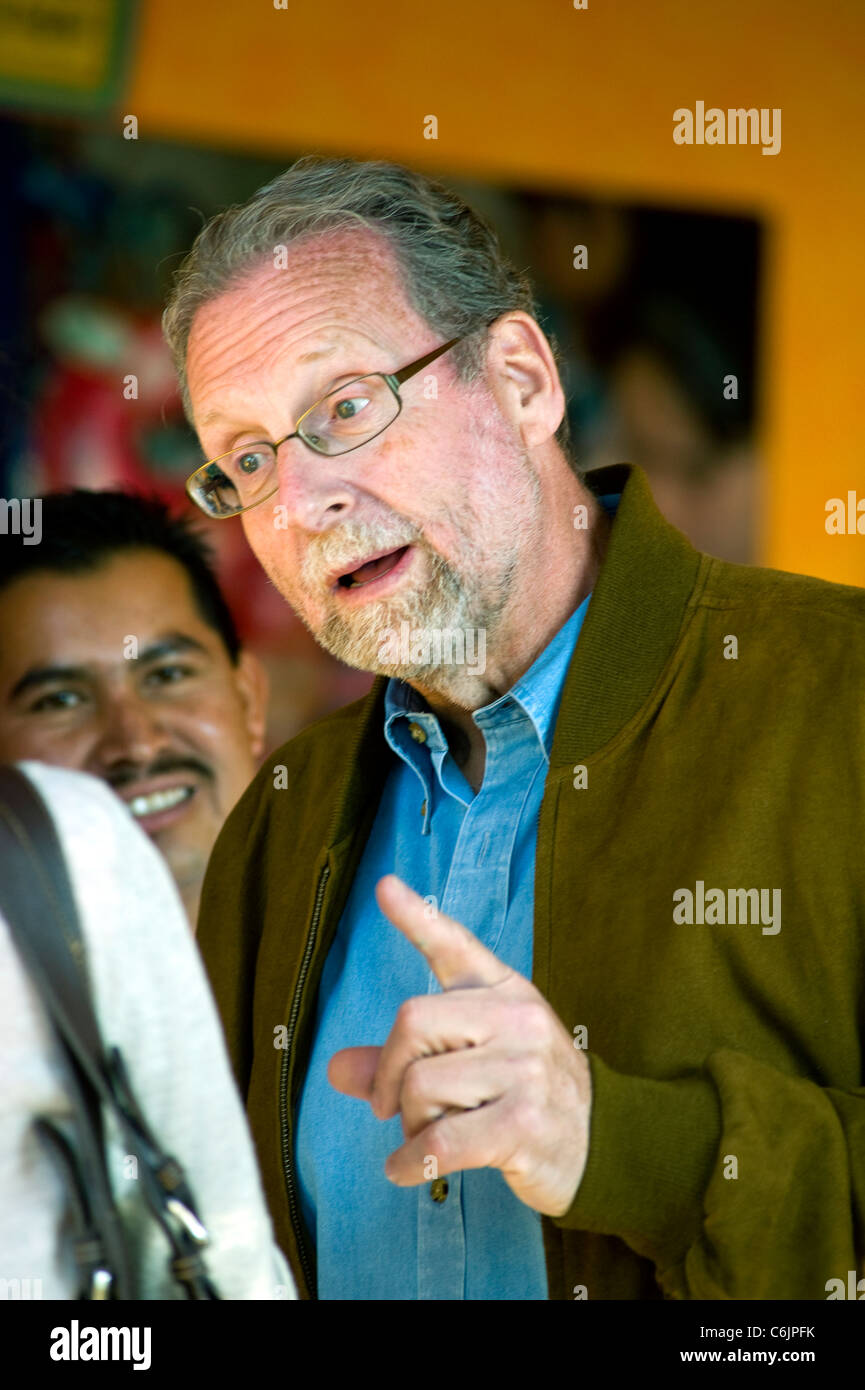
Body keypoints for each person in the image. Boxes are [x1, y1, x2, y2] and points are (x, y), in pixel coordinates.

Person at [162, 155, 865, 1300]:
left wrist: (627, 1146)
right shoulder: (278, 825)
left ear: (523, 380)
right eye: (246, 459)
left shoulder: (840, 697)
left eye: (342, 407)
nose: (297, 507)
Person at [0, 760, 296, 1299]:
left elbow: (220, 1242)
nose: (138, 741)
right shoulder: (70, 835)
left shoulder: (67, 840)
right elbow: (228, 1257)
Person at [0, 491, 268, 927]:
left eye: (167, 676)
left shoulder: (391, 948)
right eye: (60, 700)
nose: (138, 745)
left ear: (249, 699)